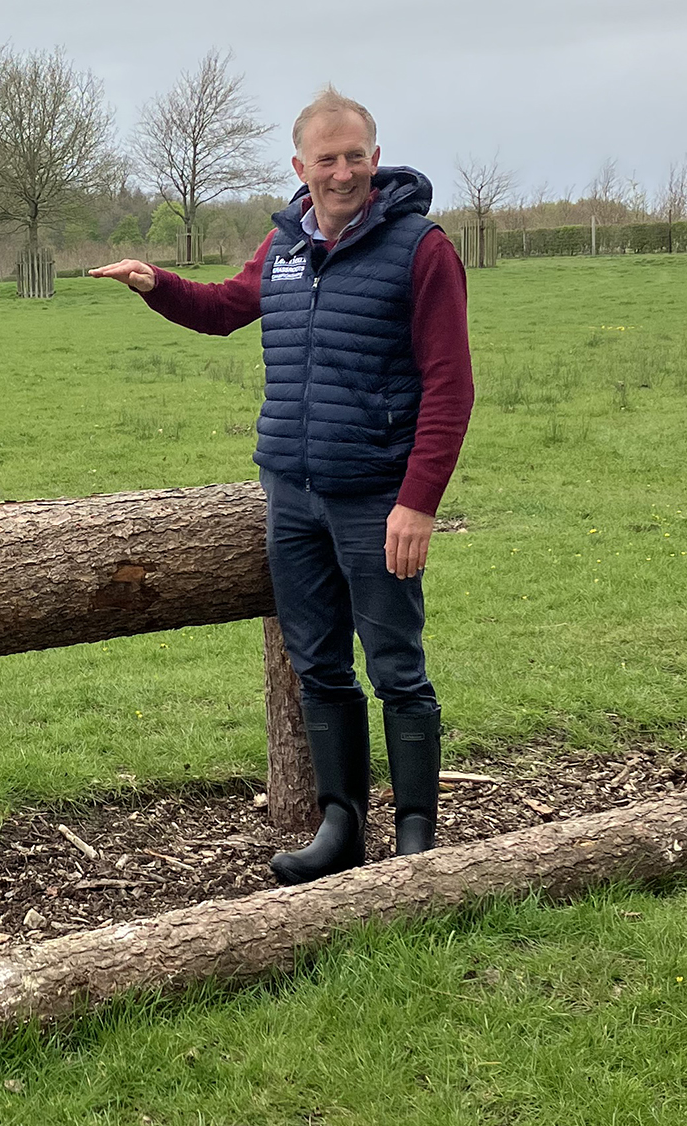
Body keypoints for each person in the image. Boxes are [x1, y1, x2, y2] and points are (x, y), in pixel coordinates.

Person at [90, 86, 474, 885]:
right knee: (320, 665)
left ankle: (415, 837)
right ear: (301, 166)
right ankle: (341, 826)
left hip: (377, 499)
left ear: (376, 155)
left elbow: (450, 387)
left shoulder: (420, 249)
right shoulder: (287, 246)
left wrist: (419, 502)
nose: (342, 171)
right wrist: (156, 283)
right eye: (326, 158)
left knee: (396, 664)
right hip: (292, 495)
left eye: (355, 155)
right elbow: (228, 307)